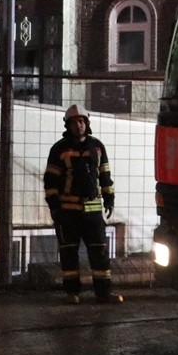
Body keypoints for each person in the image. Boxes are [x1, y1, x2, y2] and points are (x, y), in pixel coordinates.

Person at [43, 104, 120, 304]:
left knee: (99, 253)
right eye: (74, 122)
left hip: (93, 212)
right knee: (69, 254)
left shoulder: (97, 147)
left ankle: (103, 293)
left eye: (82, 121)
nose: (79, 125)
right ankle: (72, 293)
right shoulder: (59, 149)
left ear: (87, 123)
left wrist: (109, 199)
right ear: (67, 125)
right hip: (67, 213)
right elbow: (50, 181)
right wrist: (54, 208)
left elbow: (105, 176)